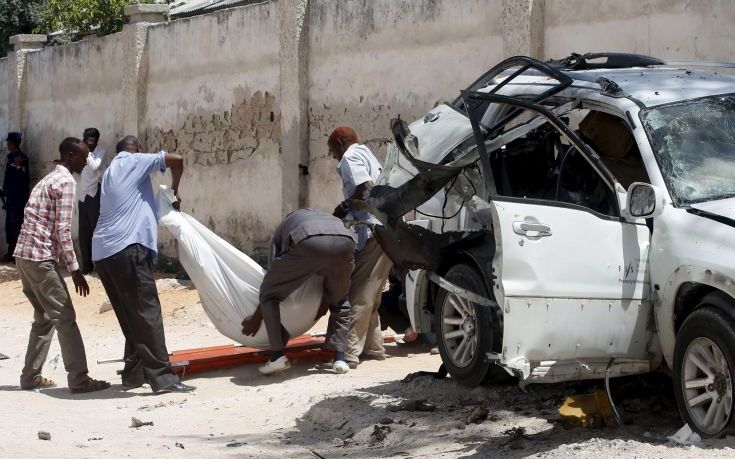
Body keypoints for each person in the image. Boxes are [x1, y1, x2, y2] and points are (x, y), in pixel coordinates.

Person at [92, 135, 194, 394]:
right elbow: (177, 160)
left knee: (130, 314)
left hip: (104, 253)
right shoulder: (135, 160)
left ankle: (133, 373)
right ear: (136, 149)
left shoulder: (110, 171)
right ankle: (163, 378)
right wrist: (175, 191)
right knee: (147, 313)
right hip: (127, 248)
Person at [14, 137, 110, 393]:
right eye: (82, 156)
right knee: (65, 317)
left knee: (44, 317)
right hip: (40, 257)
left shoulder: (46, 180)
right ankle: (79, 379)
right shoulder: (66, 182)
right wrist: (76, 269)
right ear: (69, 156)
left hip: (23, 256)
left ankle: (30, 376)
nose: (85, 161)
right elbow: (63, 231)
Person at [241, 208, 356, 375]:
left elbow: (273, 274)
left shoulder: (283, 228)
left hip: (308, 242)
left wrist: (257, 318)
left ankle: (278, 356)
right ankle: (339, 359)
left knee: (268, 294)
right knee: (340, 302)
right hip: (347, 241)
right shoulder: (324, 217)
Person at [328, 126, 392, 368]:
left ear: (341, 142)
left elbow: (364, 187)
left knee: (359, 293)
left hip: (374, 228)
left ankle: (350, 353)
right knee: (372, 293)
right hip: (386, 228)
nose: (333, 155)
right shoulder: (367, 153)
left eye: (332, 149)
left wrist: (344, 207)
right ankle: (374, 348)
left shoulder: (350, 156)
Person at [77, 128, 110, 273]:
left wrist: (87, 153)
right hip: (82, 196)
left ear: (94, 139)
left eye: (89, 139)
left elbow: (95, 166)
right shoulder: (81, 152)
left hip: (94, 195)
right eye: (84, 139)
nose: (86, 142)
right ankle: (86, 267)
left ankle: (102, 266)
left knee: (97, 232)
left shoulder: (100, 152)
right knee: (83, 234)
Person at [2, 132, 30, 262]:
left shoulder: (21, 158)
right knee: (10, 227)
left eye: (9, 142)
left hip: (18, 199)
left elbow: (23, 178)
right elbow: (9, 178)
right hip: (11, 198)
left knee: (17, 226)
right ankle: (11, 252)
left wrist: (19, 166)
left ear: (12, 143)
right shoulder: (11, 157)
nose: (7, 144)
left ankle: (18, 255)